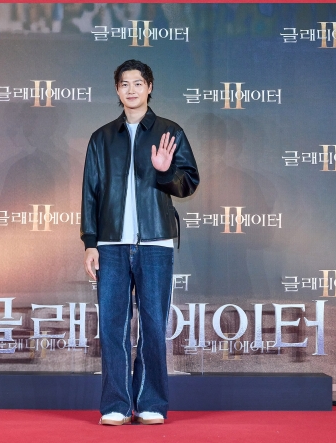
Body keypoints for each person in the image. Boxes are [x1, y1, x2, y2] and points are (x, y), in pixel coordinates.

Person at [81, 59, 200, 426]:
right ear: (117, 90)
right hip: (110, 245)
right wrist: (90, 242)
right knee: (112, 327)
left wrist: (165, 172)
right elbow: (90, 193)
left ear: (149, 87)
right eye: (124, 84)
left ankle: (151, 402)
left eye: (137, 83)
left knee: (152, 326)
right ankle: (116, 404)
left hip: (155, 243)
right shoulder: (102, 138)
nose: (131, 89)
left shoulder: (169, 131)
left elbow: (188, 183)